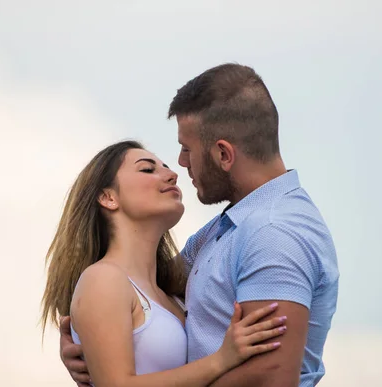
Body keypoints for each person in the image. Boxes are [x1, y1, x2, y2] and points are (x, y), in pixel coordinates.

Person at [61, 63, 339, 387]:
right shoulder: (219, 233)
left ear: (223, 154)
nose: (179, 164)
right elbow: (131, 287)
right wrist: (88, 342)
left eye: (186, 149)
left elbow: (269, 377)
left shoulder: (273, 232)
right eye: (149, 168)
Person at [41, 140, 289, 387]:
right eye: (148, 170)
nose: (172, 175)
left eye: (166, 167)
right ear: (108, 197)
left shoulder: (174, 292)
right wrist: (221, 360)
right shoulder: (102, 279)